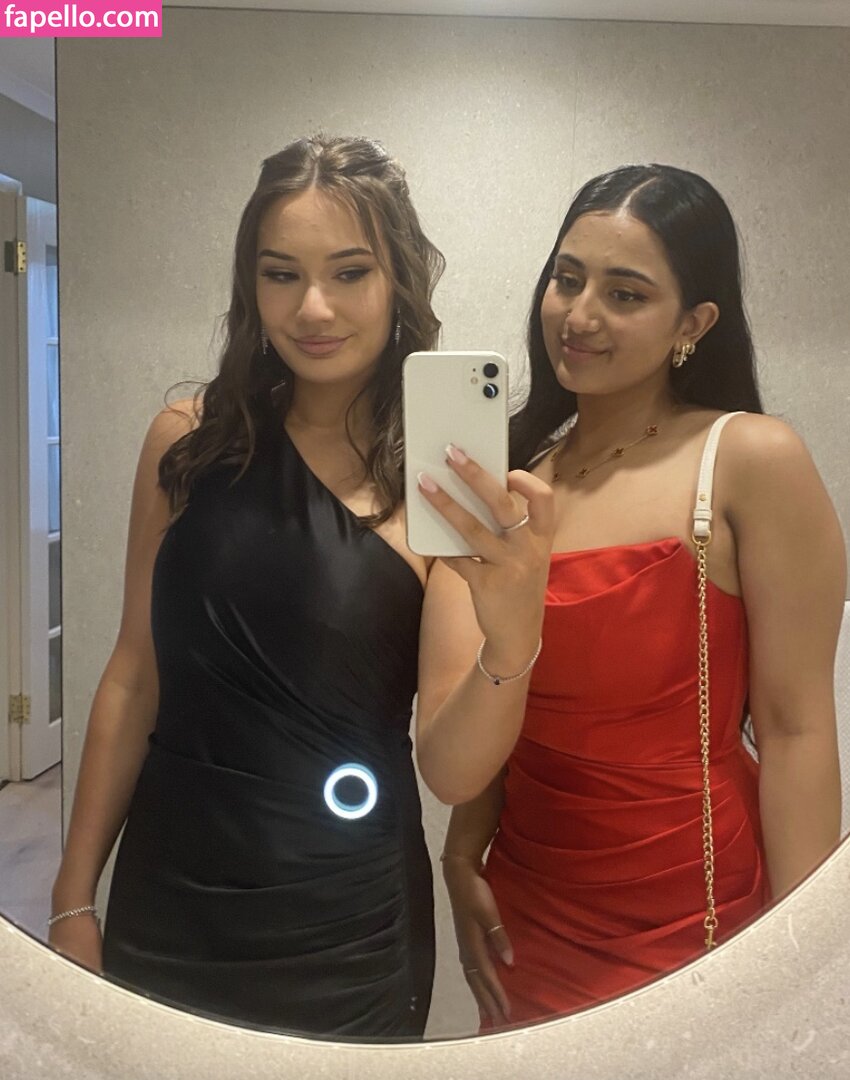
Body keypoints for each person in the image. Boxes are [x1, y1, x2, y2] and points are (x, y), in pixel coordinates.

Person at [47, 133, 513, 1039]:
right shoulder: (186, 442)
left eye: (350, 272)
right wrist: (72, 897)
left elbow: (452, 769)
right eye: (280, 275)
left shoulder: (439, 481)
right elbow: (134, 677)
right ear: (249, 285)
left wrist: (514, 636)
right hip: (167, 895)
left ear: (398, 281)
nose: (312, 308)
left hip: (347, 925)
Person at [415, 164, 845, 1028]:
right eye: (566, 279)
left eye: (625, 294)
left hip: (700, 911)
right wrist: (463, 850)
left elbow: (797, 729)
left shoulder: (748, 460)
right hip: (532, 915)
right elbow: (464, 760)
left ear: (694, 323)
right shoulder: (509, 491)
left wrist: (806, 974)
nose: (579, 316)